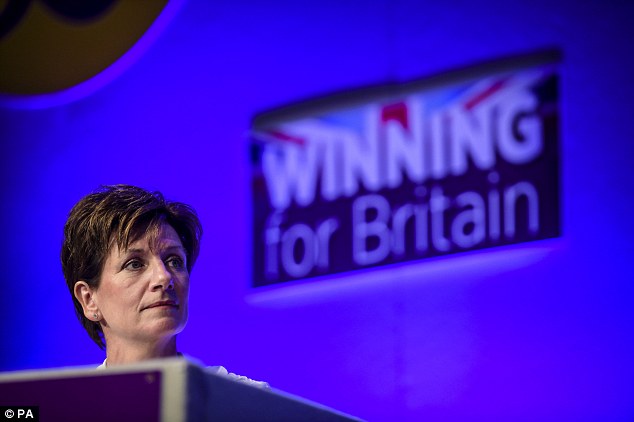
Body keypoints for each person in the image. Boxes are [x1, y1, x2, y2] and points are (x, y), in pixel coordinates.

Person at [61, 184, 267, 388]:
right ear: (89, 300)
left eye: (174, 261)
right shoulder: (60, 409)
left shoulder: (246, 402)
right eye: (135, 264)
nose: (164, 277)